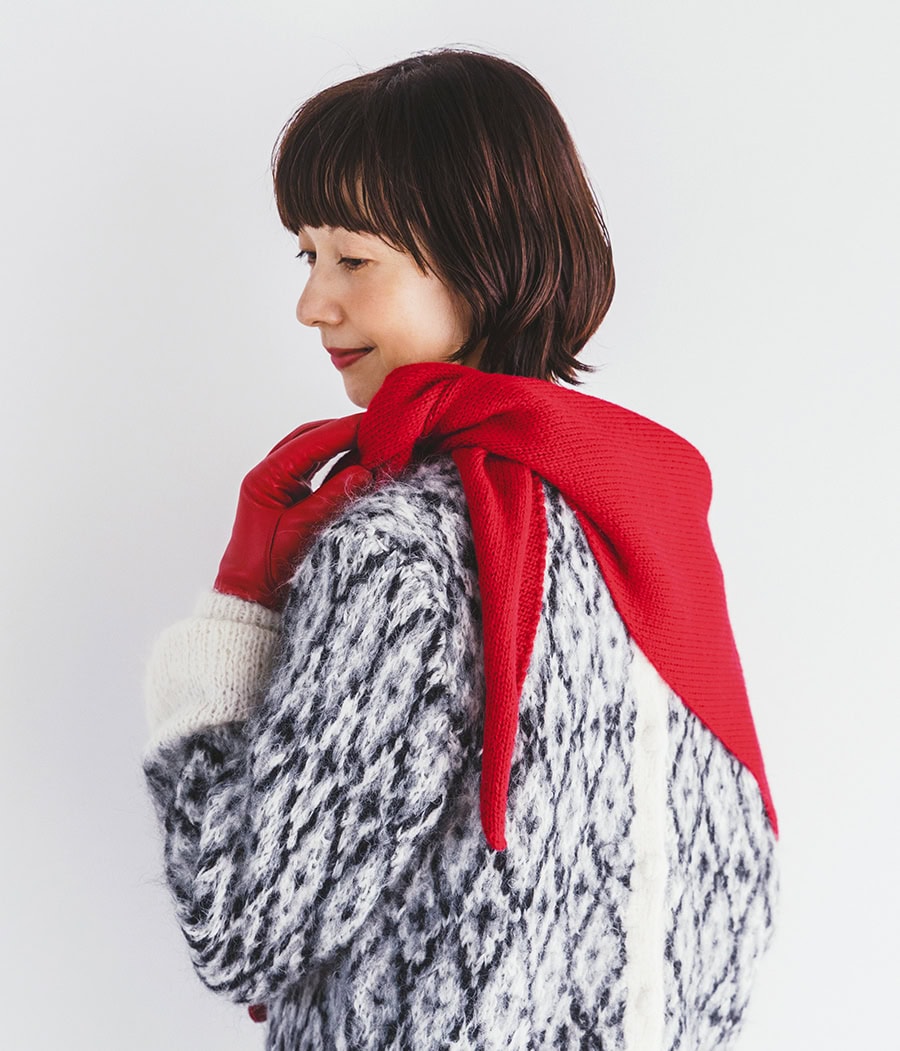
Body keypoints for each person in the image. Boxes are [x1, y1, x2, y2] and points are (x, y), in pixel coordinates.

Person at [142, 48, 778, 1051]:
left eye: (354, 261)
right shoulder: (641, 517)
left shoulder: (403, 554)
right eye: (307, 257)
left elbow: (239, 924)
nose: (313, 304)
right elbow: (724, 910)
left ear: (480, 261)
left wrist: (236, 612)